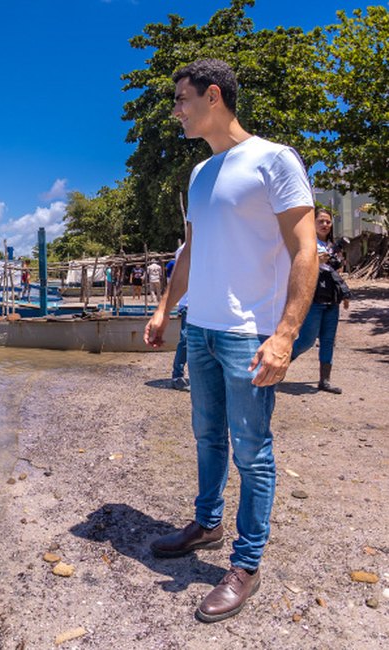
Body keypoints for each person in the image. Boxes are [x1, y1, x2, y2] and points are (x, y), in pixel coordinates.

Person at [143, 59, 317, 624]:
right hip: (201, 329)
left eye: (181, 99)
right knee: (207, 438)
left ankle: (245, 564)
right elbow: (190, 252)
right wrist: (166, 307)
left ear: (212, 96)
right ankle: (207, 524)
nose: (176, 109)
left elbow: (304, 249)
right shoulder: (200, 174)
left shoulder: (274, 160)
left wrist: (285, 334)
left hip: (250, 335)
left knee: (252, 451)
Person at [290, 208, 351, 394]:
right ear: (313, 224)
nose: (325, 225)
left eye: (328, 222)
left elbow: (337, 274)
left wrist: (344, 293)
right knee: (306, 340)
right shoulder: (307, 245)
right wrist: (315, 259)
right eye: (321, 221)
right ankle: (277, 365)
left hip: (332, 300)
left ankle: (325, 381)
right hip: (313, 299)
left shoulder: (333, 246)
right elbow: (296, 268)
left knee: (328, 340)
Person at [169, 245, 190, 391]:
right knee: (186, 340)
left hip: (204, 304)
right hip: (189, 303)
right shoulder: (184, 249)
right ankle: (177, 375)